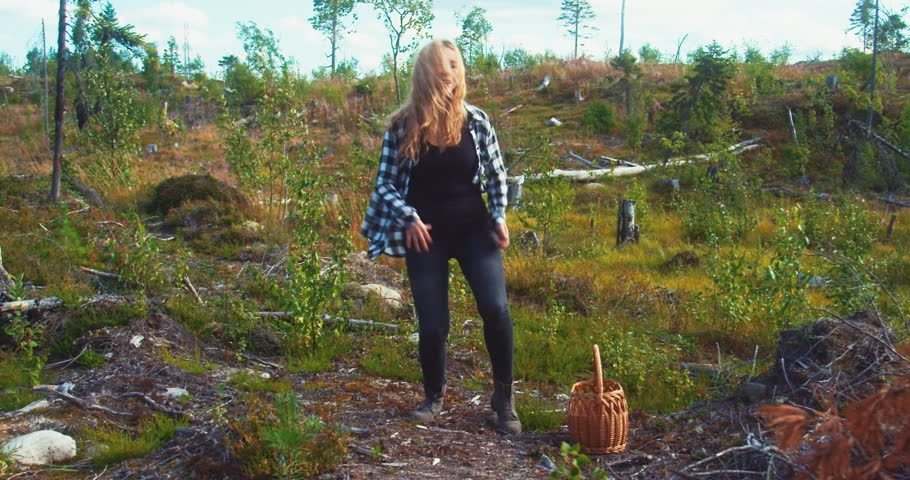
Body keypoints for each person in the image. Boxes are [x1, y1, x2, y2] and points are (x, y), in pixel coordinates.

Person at [360, 39, 520, 434]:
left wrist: (499, 215)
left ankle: (504, 399)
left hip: (473, 230)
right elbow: (384, 187)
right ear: (424, 75)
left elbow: (497, 175)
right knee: (433, 324)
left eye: (453, 65)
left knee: (496, 309)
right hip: (425, 236)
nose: (448, 73)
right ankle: (434, 396)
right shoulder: (402, 126)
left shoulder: (477, 121)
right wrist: (407, 217)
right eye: (439, 67)